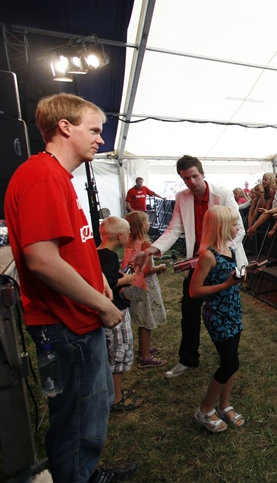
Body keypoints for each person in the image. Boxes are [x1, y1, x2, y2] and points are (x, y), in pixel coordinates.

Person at [3, 93, 135, 482]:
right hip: (66, 325)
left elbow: (71, 247)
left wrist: (100, 283)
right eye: (94, 130)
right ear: (65, 127)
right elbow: (42, 260)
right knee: (79, 415)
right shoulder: (43, 177)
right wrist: (104, 303)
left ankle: (85, 472)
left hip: (74, 319)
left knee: (84, 414)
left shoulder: (55, 176)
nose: (100, 139)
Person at [135, 155, 246, 379]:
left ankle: (229, 357)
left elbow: (239, 230)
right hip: (196, 262)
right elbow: (173, 230)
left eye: (195, 175)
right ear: (182, 179)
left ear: (203, 174)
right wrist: (150, 250)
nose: (191, 181)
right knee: (190, 312)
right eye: (186, 178)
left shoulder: (223, 194)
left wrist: (216, 254)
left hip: (222, 262)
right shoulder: (182, 197)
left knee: (228, 310)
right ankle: (188, 359)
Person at [190, 206, 246, 433]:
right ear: (222, 227)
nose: (237, 228)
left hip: (233, 311)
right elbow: (194, 291)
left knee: (230, 361)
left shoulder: (230, 250)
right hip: (218, 315)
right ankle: (204, 409)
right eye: (234, 224)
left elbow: (229, 278)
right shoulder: (208, 255)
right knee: (231, 362)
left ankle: (224, 405)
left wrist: (238, 278)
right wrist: (226, 284)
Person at [97, 216, 144, 412]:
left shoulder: (96, 253)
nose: (129, 236)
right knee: (118, 352)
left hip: (109, 309)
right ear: (120, 235)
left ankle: (114, 392)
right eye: (128, 233)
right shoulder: (108, 256)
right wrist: (126, 280)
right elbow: (107, 282)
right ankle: (116, 398)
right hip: (115, 310)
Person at [123, 211, 168, 369]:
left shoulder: (129, 241)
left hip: (132, 284)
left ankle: (143, 348)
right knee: (146, 321)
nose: (149, 223)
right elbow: (148, 270)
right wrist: (161, 267)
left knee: (141, 318)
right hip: (144, 286)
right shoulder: (145, 244)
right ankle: (145, 357)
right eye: (147, 221)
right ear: (143, 225)